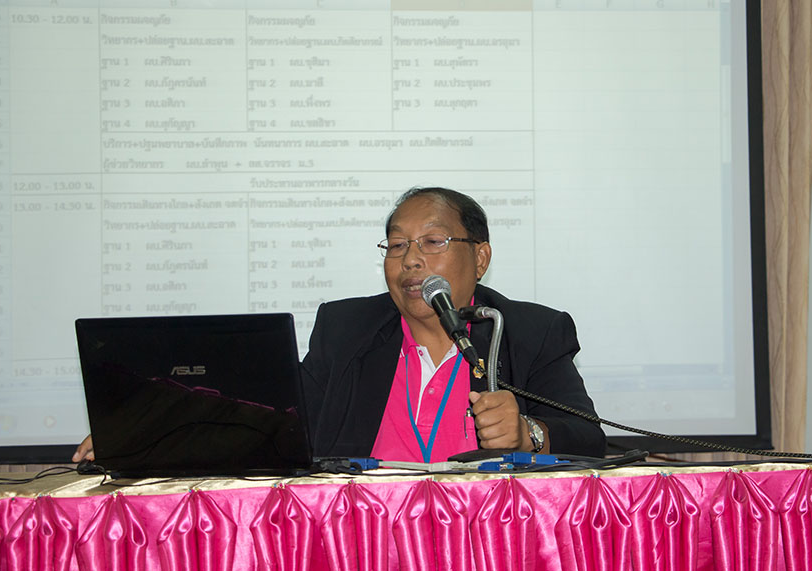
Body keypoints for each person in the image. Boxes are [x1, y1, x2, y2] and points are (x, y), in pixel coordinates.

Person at [74, 187, 605, 463]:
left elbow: (590, 439)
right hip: (364, 538)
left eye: (433, 242)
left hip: (484, 539)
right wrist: (148, 434)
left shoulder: (531, 331)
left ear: (480, 256)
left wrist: (528, 433)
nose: (411, 260)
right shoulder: (347, 328)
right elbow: (270, 421)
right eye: (396, 245)